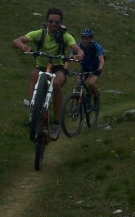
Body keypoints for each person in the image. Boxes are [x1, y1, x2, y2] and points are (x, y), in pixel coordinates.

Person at [12, 7, 83, 140]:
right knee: (33, 75)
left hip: (58, 67)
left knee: (56, 84)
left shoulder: (65, 36)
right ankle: (33, 111)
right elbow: (17, 41)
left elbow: (77, 49)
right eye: (51, 21)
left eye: (57, 22)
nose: (53, 24)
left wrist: (78, 55)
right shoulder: (40, 33)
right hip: (41, 66)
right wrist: (23, 47)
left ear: (61, 23)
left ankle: (56, 122)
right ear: (47, 21)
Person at [76, 28, 105, 107]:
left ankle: (96, 96)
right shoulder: (79, 46)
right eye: (83, 38)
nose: (85, 41)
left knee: (91, 84)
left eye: (87, 39)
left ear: (90, 39)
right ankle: (77, 102)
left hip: (95, 68)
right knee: (78, 84)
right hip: (85, 67)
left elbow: (101, 60)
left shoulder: (96, 46)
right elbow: (70, 56)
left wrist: (100, 69)